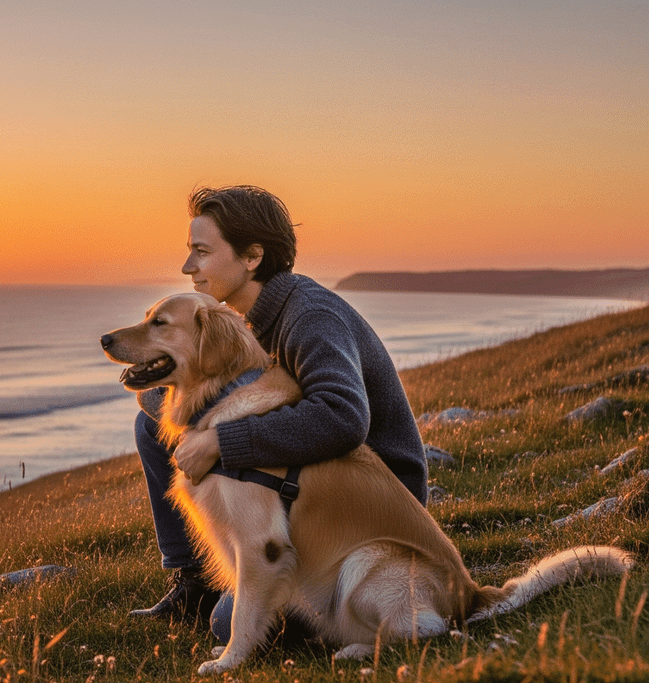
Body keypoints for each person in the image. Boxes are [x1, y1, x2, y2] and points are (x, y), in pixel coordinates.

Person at [130, 185, 429, 632]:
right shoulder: (243, 321)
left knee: (229, 623)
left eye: (202, 251)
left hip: (364, 518)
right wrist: (163, 386)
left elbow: (343, 417)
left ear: (252, 256)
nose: (188, 267)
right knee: (149, 422)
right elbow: (191, 392)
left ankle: (304, 595)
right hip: (301, 488)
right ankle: (195, 579)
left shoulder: (309, 317)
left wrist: (220, 441)